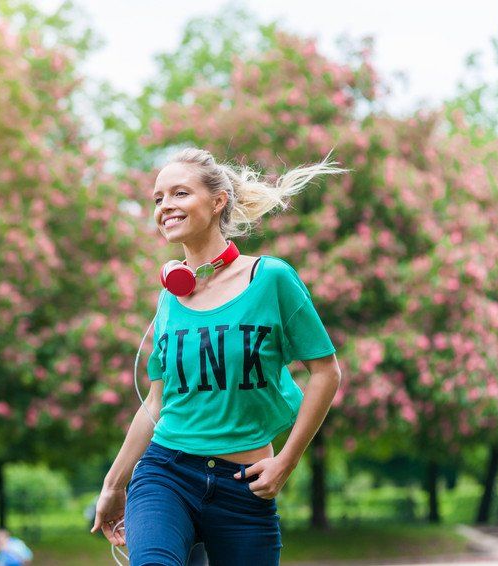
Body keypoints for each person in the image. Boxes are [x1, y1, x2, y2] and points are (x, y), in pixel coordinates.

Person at [90, 148, 345, 565]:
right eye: (158, 198)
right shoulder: (169, 299)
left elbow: (326, 373)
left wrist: (286, 462)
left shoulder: (271, 279)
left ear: (217, 201)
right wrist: (114, 485)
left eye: (179, 193)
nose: (165, 206)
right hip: (166, 473)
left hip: (245, 487)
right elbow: (156, 402)